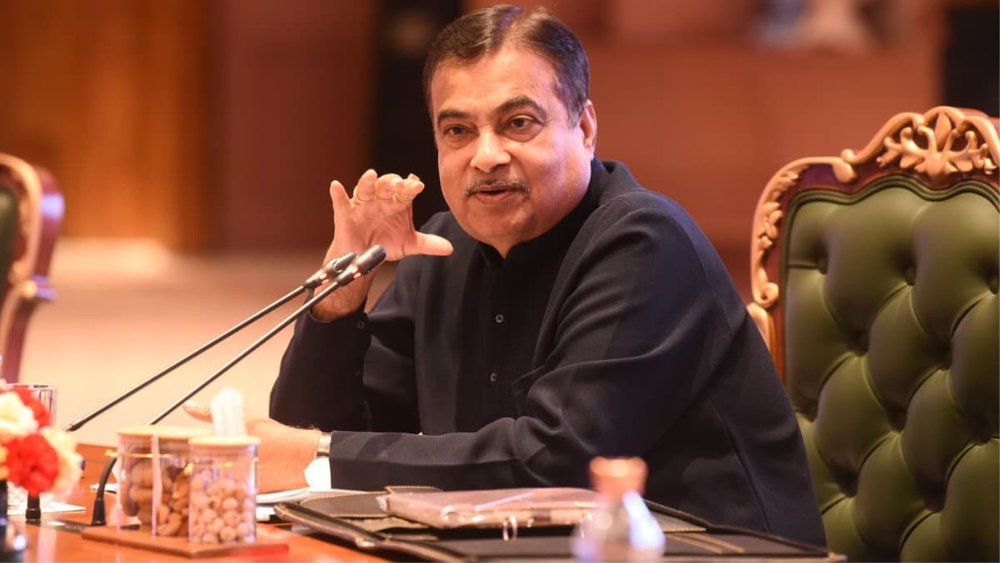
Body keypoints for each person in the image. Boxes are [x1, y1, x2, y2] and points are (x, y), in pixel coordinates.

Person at [256, 4, 825, 546]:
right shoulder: (446, 247)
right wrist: (339, 297)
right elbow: (306, 440)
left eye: (518, 123)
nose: (485, 156)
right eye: (457, 131)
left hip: (706, 548)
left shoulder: (645, 242)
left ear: (585, 127)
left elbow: (557, 461)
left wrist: (318, 454)